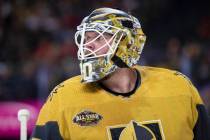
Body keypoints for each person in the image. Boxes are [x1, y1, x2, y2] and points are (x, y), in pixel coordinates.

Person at [31, 7, 210, 140]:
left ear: (127, 43)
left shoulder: (178, 87)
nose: (88, 45)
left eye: (98, 38)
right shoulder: (63, 97)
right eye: (85, 39)